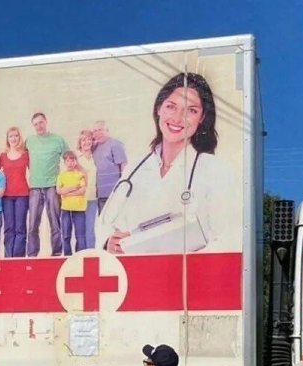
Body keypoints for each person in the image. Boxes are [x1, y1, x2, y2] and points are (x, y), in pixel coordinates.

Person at [98, 72, 236, 255]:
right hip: (133, 274)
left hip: (184, 278)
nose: (178, 118)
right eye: (171, 106)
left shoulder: (215, 170)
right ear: (158, 108)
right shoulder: (135, 169)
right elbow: (104, 223)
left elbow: (226, 239)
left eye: (192, 110)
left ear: (202, 118)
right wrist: (109, 241)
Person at [25, 112, 69, 256]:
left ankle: (56, 253)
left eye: (41, 122)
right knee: (32, 225)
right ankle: (32, 255)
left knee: (55, 223)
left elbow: (70, 159)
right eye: (36, 124)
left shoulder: (58, 140)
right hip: (35, 188)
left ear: (46, 122)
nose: (39, 126)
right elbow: (18, 156)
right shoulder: (29, 141)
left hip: (52, 186)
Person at [0, 127, 31, 257]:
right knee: (9, 228)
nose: (13, 138)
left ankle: (18, 257)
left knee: (20, 228)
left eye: (16, 136)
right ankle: (8, 257)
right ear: (7, 139)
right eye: (11, 136)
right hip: (6, 196)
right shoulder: (2, 156)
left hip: (22, 195)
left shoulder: (25, 155)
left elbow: (34, 171)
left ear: (19, 137)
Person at [91, 120, 127, 215]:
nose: (97, 133)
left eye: (100, 130)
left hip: (113, 193)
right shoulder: (94, 147)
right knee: (102, 224)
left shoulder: (115, 144)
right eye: (95, 131)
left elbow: (124, 166)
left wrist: (122, 188)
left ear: (107, 130)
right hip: (99, 194)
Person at [56, 150, 88, 256]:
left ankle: (80, 256)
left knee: (80, 235)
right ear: (64, 162)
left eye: (72, 160)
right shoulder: (61, 176)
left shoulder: (80, 175)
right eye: (67, 161)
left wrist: (67, 193)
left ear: (75, 161)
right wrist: (73, 188)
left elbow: (82, 190)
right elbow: (59, 191)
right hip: (66, 209)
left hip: (79, 210)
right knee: (65, 235)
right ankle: (67, 256)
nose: (70, 163)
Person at [75, 129, 99, 250]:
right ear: (80, 142)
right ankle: (80, 256)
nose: (86, 142)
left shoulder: (96, 157)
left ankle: (90, 255)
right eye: (83, 140)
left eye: (89, 139)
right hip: (79, 199)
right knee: (80, 230)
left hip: (92, 198)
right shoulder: (77, 158)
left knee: (90, 230)